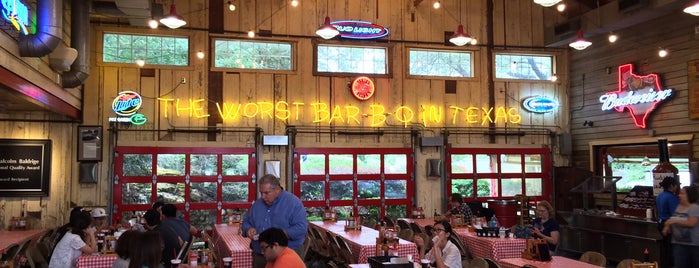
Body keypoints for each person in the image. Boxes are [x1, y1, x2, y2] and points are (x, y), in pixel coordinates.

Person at [243, 174, 308, 268]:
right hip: (260, 255)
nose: (263, 196)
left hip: (286, 256)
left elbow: (301, 228)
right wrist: (248, 229)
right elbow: (246, 221)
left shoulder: (293, 203)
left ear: (277, 189)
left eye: (266, 193)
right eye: (261, 193)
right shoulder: (257, 204)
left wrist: (280, 235)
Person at [662, 186, 699, 268]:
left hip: (693, 245)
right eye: (679, 193)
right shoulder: (679, 207)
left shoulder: (694, 208)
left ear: (689, 195)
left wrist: (674, 221)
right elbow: (673, 219)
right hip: (678, 244)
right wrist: (667, 226)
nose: (679, 195)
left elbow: (691, 223)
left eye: (682, 193)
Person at [656, 176, 679, 268]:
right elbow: (675, 214)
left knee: (665, 248)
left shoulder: (659, 196)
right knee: (671, 249)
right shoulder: (672, 197)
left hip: (660, 223)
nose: (676, 187)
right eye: (675, 185)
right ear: (671, 186)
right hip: (669, 225)